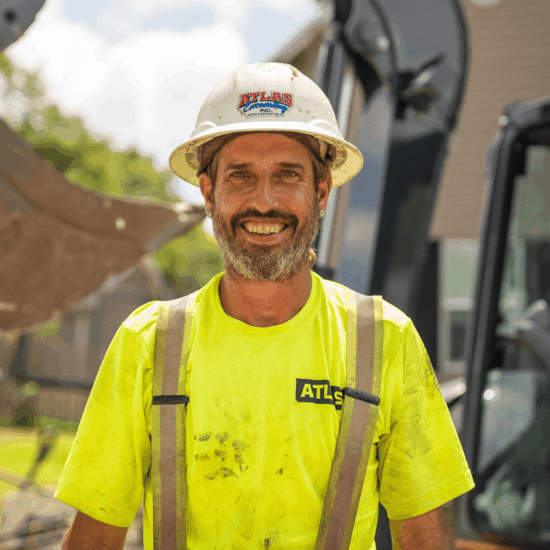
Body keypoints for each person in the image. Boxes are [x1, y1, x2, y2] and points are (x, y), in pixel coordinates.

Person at [56, 63, 474, 550]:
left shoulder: (385, 341)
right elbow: (93, 537)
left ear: (321, 192)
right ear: (209, 192)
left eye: (288, 175)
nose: (265, 201)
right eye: (240, 177)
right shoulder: (148, 344)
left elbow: (424, 536)